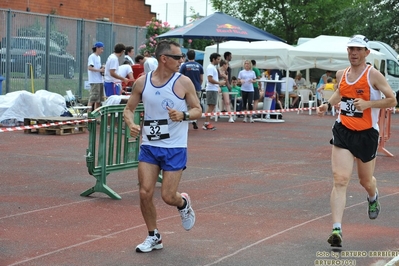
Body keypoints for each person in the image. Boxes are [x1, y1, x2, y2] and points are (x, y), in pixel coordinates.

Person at [317, 35, 397, 248]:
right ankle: (336, 229)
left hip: (367, 134)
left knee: (365, 180)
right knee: (340, 179)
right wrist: (327, 105)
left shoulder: (374, 75)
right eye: (351, 49)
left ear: (366, 53)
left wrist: (369, 103)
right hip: (343, 130)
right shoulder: (341, 74)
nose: (353, 53)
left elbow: (392, 99)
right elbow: (339, 93)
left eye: (358, 49)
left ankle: (373, 196)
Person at [123, 39, 202, 253]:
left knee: (168, 196)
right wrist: (131, 124)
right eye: (177, 57)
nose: (181, 61)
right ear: (164, 59)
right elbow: (128, 109)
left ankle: (183, 203)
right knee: (144, 192)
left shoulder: (184, 82)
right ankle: (153, 236)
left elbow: (197, 110)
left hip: (175, 146)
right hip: (150, 144)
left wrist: (184, 115)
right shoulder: (142, 82)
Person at [179, 49, 204, 129]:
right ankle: (194, 120)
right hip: (196, 87)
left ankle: (186, 120)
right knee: (196, 105)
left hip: (185, 88)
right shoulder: (199, 66)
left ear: (187, 56)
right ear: (195, 56)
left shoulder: (184, 66)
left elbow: (180, 77)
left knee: (186, 104)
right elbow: (201, 78)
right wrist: (198, 85)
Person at [203, 53, 225, 130]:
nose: (219, 61)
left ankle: (207, 122)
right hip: (211, 88)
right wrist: (219, 83)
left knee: (212, 106)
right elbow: (210, 79)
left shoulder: (212, 67)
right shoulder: (211, 67)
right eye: (218, 59)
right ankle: (206, 123)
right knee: (211, 106)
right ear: (213, 59)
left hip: (213, 88)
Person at [87, 41, 105, 110]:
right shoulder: (92, 56)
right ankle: (89, 113)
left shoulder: (98, 57)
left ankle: (96, 114)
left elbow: (98, 67)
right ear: (97, 48)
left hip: (99, 80)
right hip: (94, 81)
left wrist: (102, 68)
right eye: (101, 49)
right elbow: (90, 67)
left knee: (98, 100)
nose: (102, 51)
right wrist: (100, 70)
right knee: (93, 98)